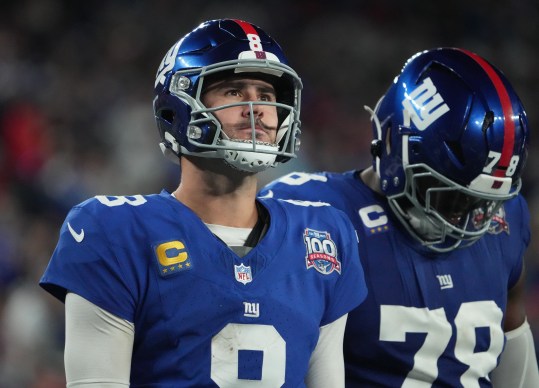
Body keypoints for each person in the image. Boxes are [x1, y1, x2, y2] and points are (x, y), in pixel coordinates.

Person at [39, 19, 368, 387]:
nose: (255, 108)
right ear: (177, 109)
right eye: (233, 91)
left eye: (266, 94)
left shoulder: (323, 234)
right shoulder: (115, 230)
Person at [261, 47, 539, 387]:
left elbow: (513, 332)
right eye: (451, 193)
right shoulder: (313, 212)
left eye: (480, 201)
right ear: (394, 144)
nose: (466, 215)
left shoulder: (505, 219)